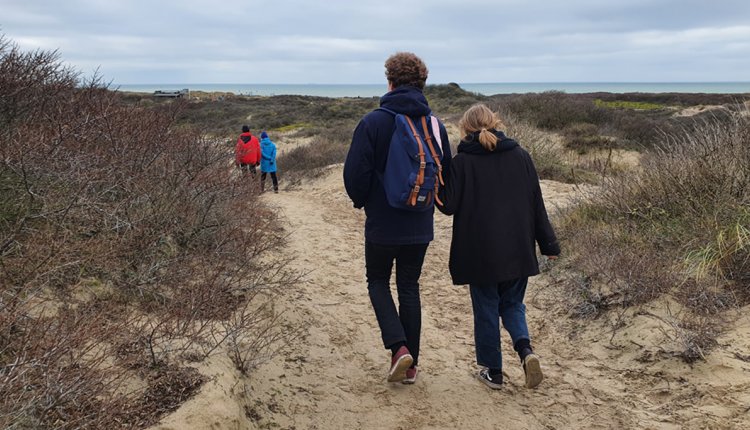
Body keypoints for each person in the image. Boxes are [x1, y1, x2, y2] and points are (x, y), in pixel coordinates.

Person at [343, 52, 452, 384]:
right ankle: (411, 366)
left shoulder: (373, 122)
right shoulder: (435, 125)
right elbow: (447, 173)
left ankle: (399, 348)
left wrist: (363, 202)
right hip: (420, 222)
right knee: (409, 286)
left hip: (382, 222)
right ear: (422, 83)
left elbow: (354, 175)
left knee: (377, 281)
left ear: (389, 81)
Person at [438, 103, 560, 390]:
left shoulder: (462, 162)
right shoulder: (521, 156)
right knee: (513, 304)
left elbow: (448, 206)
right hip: (518, 247)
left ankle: (493, 372)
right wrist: (549, 244)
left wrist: (438, 180)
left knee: (486, 308)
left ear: (465, 128)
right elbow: (536, 204)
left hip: (479, 251)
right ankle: (526, 351)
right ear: (495, 123)